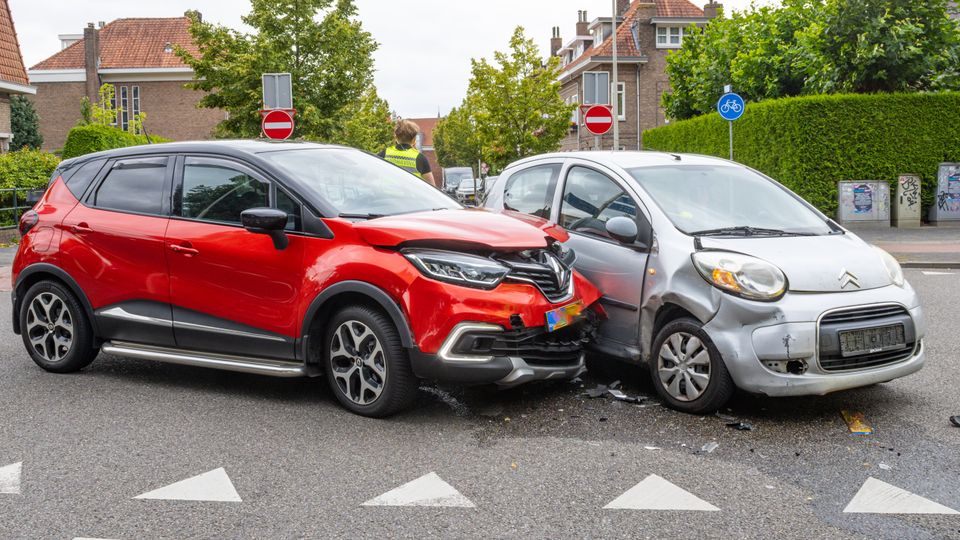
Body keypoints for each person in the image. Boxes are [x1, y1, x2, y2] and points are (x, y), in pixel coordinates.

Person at [378, 119, 436, 187]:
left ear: (396, 137)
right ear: (414, 139)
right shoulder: (420, 158)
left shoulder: (385, 153)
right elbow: (432, 186)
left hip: (387, 196)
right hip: (410, 197)